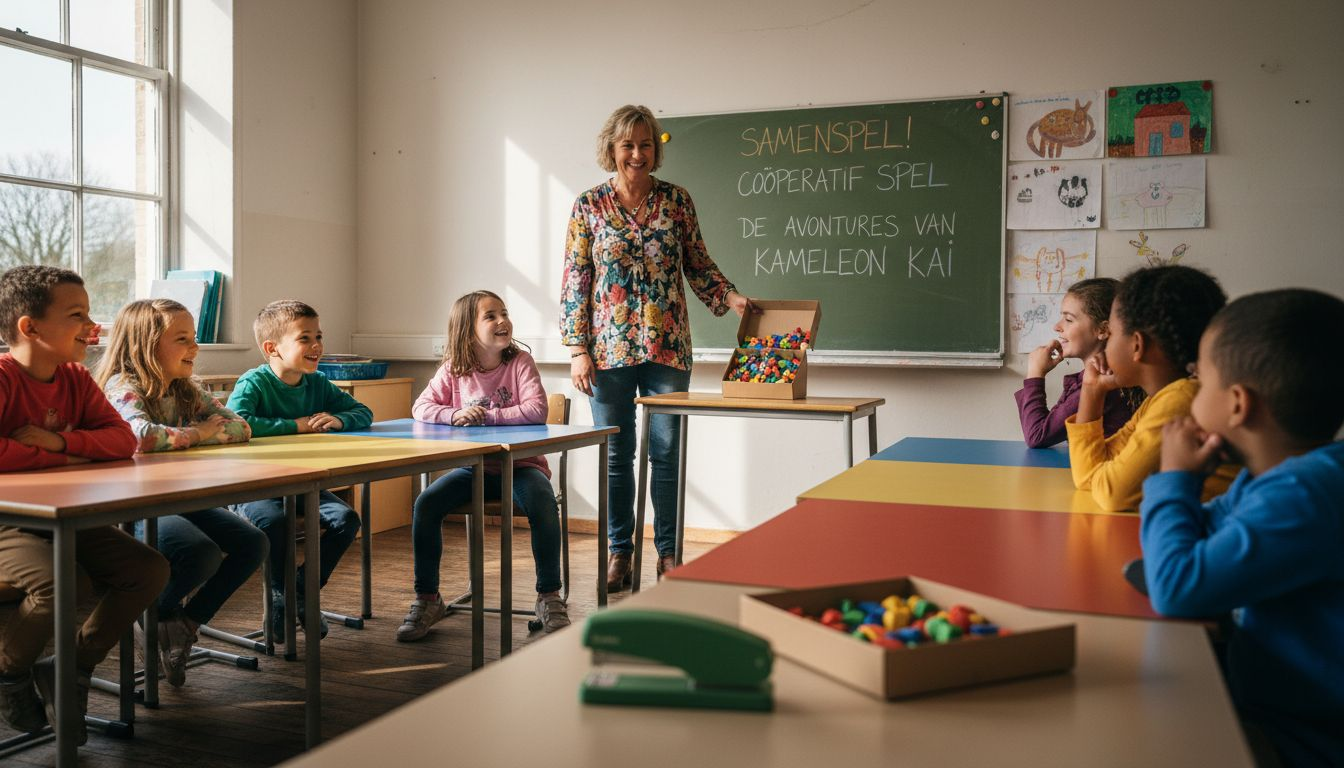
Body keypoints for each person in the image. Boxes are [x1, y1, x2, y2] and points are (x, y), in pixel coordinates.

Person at [1140, 289, 1344, 768]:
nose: (1192, 393)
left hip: (1300, 740)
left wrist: (1175, 478)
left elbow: (1176, 586)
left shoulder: (1307, 495)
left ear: (1236, 405)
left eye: (1199, 379)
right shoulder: (1277, 476)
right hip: (1269, 705)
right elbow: (1201, 535)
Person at [560, 104, 754, 589]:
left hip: (668, 346)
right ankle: (619, 553)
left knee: (667, 453)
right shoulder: (588, 206)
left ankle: (669, 555)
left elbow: (698, 263)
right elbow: (575, 279)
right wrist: (576, 347)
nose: (638, 154)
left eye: (646, 144)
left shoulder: (676, 202)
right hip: (607, 350)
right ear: (612, 148)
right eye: (628, 144)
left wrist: (730, 297)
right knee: (615, 453)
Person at [0, 266, 168, 743]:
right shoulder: (3, 378)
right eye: (77, 315)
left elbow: (121, 440)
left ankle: (70, 667)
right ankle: (9, 673)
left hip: (65, 514)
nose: (93, 326)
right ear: (29, 327)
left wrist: (55, 444)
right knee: (64, 583)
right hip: (7, 521)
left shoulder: (75, 377)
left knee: (148, 570)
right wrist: (73, 448)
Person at [96, 299, 267, 687]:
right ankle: (152, 617)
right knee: (200, 553)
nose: (195, 348)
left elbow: (241, 428)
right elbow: (140, 438)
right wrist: (201, 433)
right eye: (183, 339)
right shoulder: (122, 387)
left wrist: (186, 436)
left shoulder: (186, 388)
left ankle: (179, 623)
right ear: (146, 345)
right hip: (135, 503)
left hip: (181, 498)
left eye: (194, 338)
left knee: (252, 543)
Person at [397, 290, 567, 640]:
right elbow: (421, 408)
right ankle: (428, 598)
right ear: (467, 330)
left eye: (504, 313)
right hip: (474, 469)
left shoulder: (520, 362)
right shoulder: (454, 369)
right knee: (426, 504)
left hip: (522, 466)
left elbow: (537, 411)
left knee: (543, 504)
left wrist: (486, 417)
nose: (502, 320)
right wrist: (454, 413)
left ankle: (549, 596)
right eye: (491, 316)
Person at [226, 299, 372, 640]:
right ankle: (281, 597)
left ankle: (301, 591)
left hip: (302, 484)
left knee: (347, 520)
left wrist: (339, 418)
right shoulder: (254, 383)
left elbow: (363, 411)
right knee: (275, 522)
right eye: (305, 338)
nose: (316, 345)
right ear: (271, 348)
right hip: (252, 486)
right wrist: (295, 426)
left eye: (318, 336)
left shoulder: (317, 382)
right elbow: (236, 423)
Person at [1065, 264, 1237, 512]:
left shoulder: (1181, 400)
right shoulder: (1162, 398)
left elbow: (1112, 494)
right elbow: (1089, 476)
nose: (1106, 344)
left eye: (1111, 334)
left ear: (1137, 345)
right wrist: (1092, 390)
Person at [1014, 278, 1139, 447]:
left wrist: (1035, 374)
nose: (1057, 327)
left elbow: (1037, 435)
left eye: (1069, 319)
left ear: (1102, 330)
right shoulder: (1096, 375)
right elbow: (1049, 425)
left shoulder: (1104, 381)